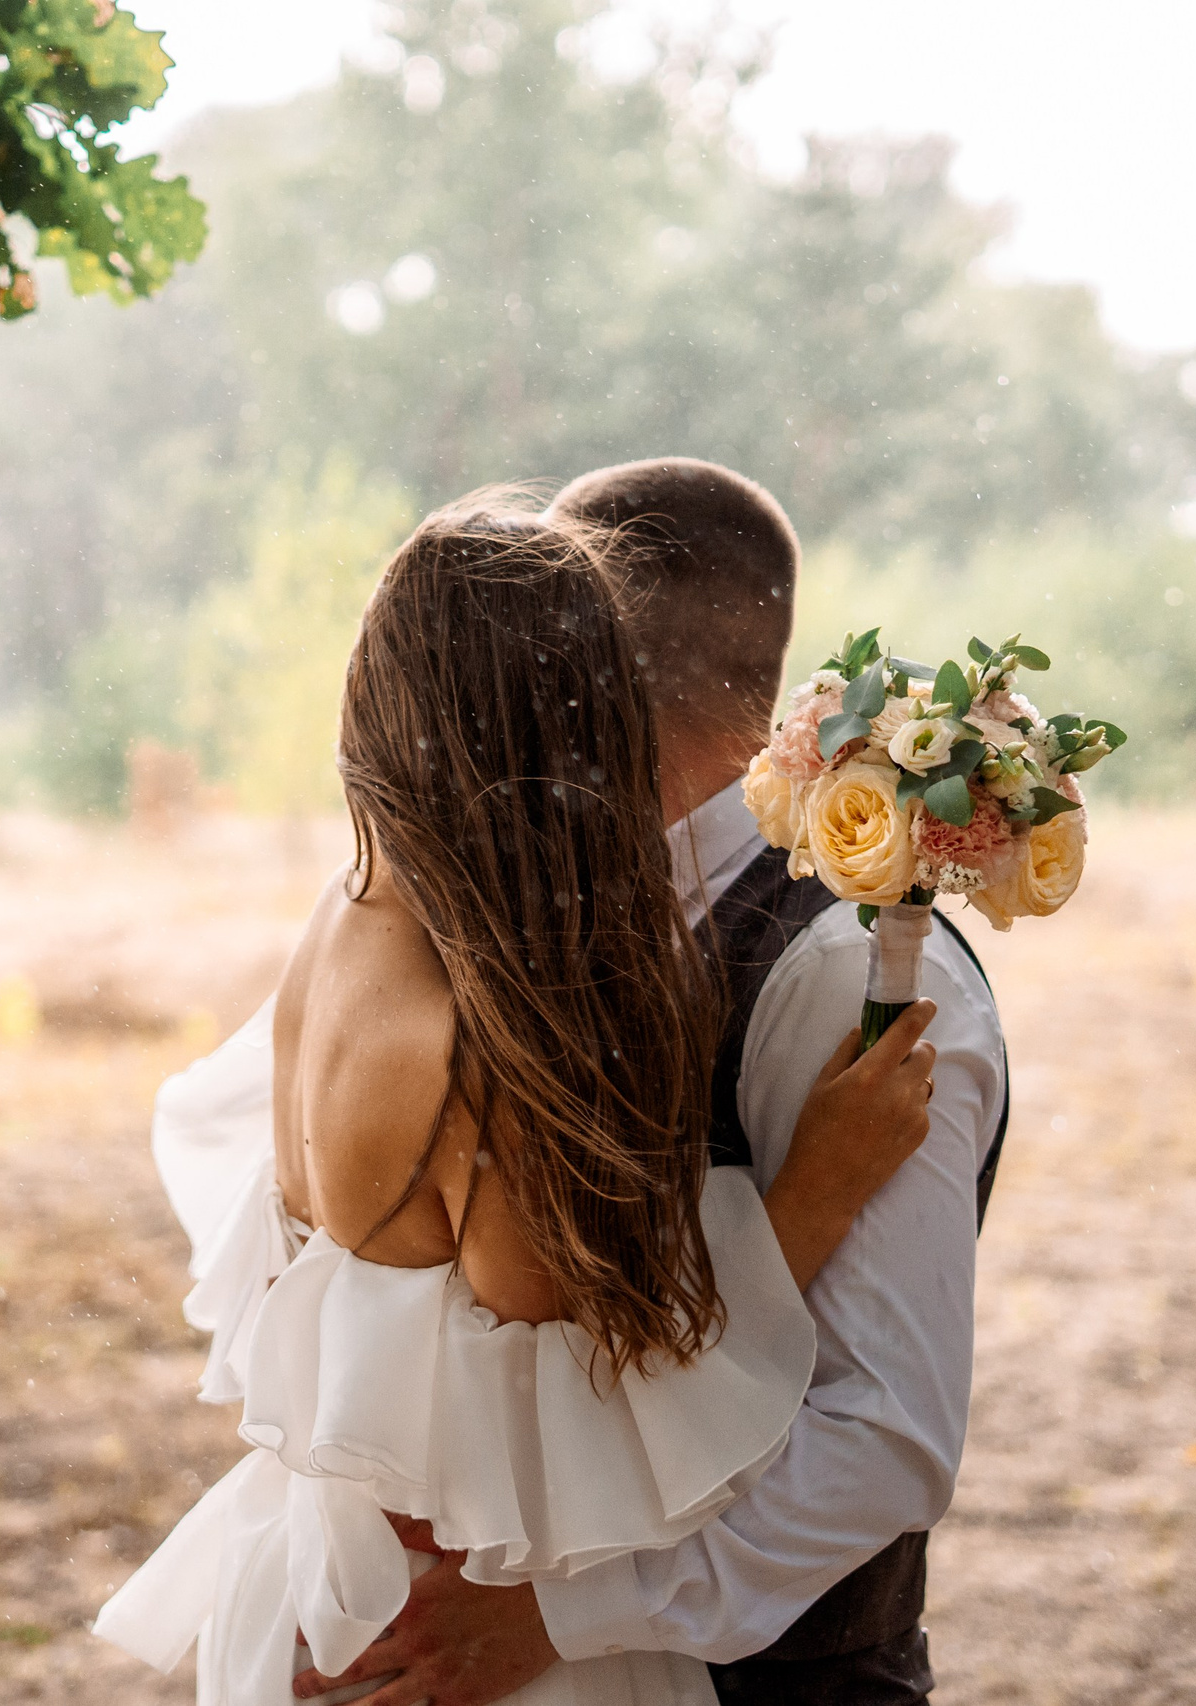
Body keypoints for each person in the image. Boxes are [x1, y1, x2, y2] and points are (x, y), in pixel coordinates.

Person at [93, 495, 945, 1705]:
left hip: (324, 1584)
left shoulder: (346, 922)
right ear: (564, 736)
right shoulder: (472, 1048)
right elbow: (616, 1401)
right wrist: (822, 1182)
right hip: (475, 1637)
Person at [292, 459, 1010, 1706]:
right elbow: (565, 1341)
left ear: (588, 671)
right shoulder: (486, 946)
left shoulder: (843, 970)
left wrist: (555, 1615)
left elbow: (880, 1439)